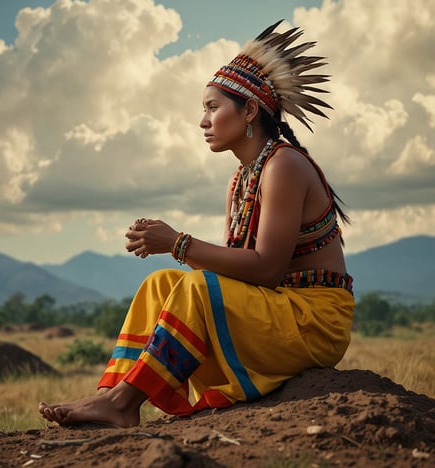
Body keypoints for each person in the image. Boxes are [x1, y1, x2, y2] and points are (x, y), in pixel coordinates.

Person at [39, 20, 354, 428]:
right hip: (276, 313)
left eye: (212, 107)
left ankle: (121, 403)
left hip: (313, 323)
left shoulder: (284, 166)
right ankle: (112, 396)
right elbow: (238, 272)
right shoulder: (242, 178)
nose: (203, 121)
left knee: (195, 283)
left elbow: (267, 269)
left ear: (250, 111)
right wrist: (172, 247)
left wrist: (177, 243)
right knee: (160, 284)